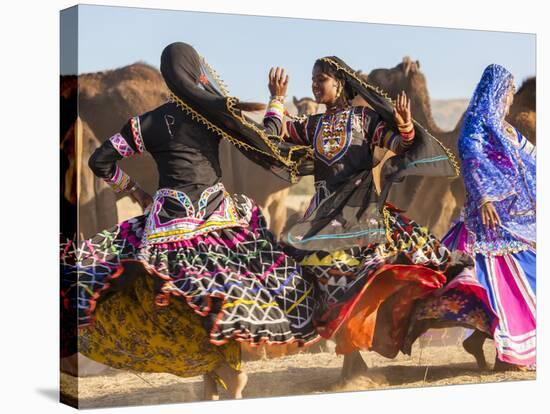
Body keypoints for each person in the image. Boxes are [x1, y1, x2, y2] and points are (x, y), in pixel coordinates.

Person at [61, 42, 321, 400]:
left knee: (180, 299)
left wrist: (134, 191)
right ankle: (226, 371)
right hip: (220, 221)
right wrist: (277, 99)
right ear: (196, 73)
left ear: (167, 77)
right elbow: (269, 141)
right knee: (222, 295)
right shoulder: (213, 115)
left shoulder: (145, 123)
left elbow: (100, 162)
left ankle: (211, 375)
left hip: (167, 227)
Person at [261, 57, 481, 380]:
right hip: (322, 222)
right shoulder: (313, 126)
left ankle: (354, 360)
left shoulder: (363, 119)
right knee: (316, 283)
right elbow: (274, 134)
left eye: (320, 79)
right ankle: (350, 359)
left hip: (362, 218)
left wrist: (405, 123)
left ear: (339, 84)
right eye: (312, 79)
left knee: (359, 280)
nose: (314, 85)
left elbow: (400, 144)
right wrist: (276, 98)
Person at [438, 64, 536, 370]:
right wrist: (484, 197)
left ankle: (479, 339)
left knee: (514, 281)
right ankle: (506, 354)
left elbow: (531, 156)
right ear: (496, 94)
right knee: (501, 285)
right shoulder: (476, 125)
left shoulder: (506, 130)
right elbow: (471, 158)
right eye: (507, 95)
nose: (509, 102)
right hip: (489, 224)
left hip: (515, 220)